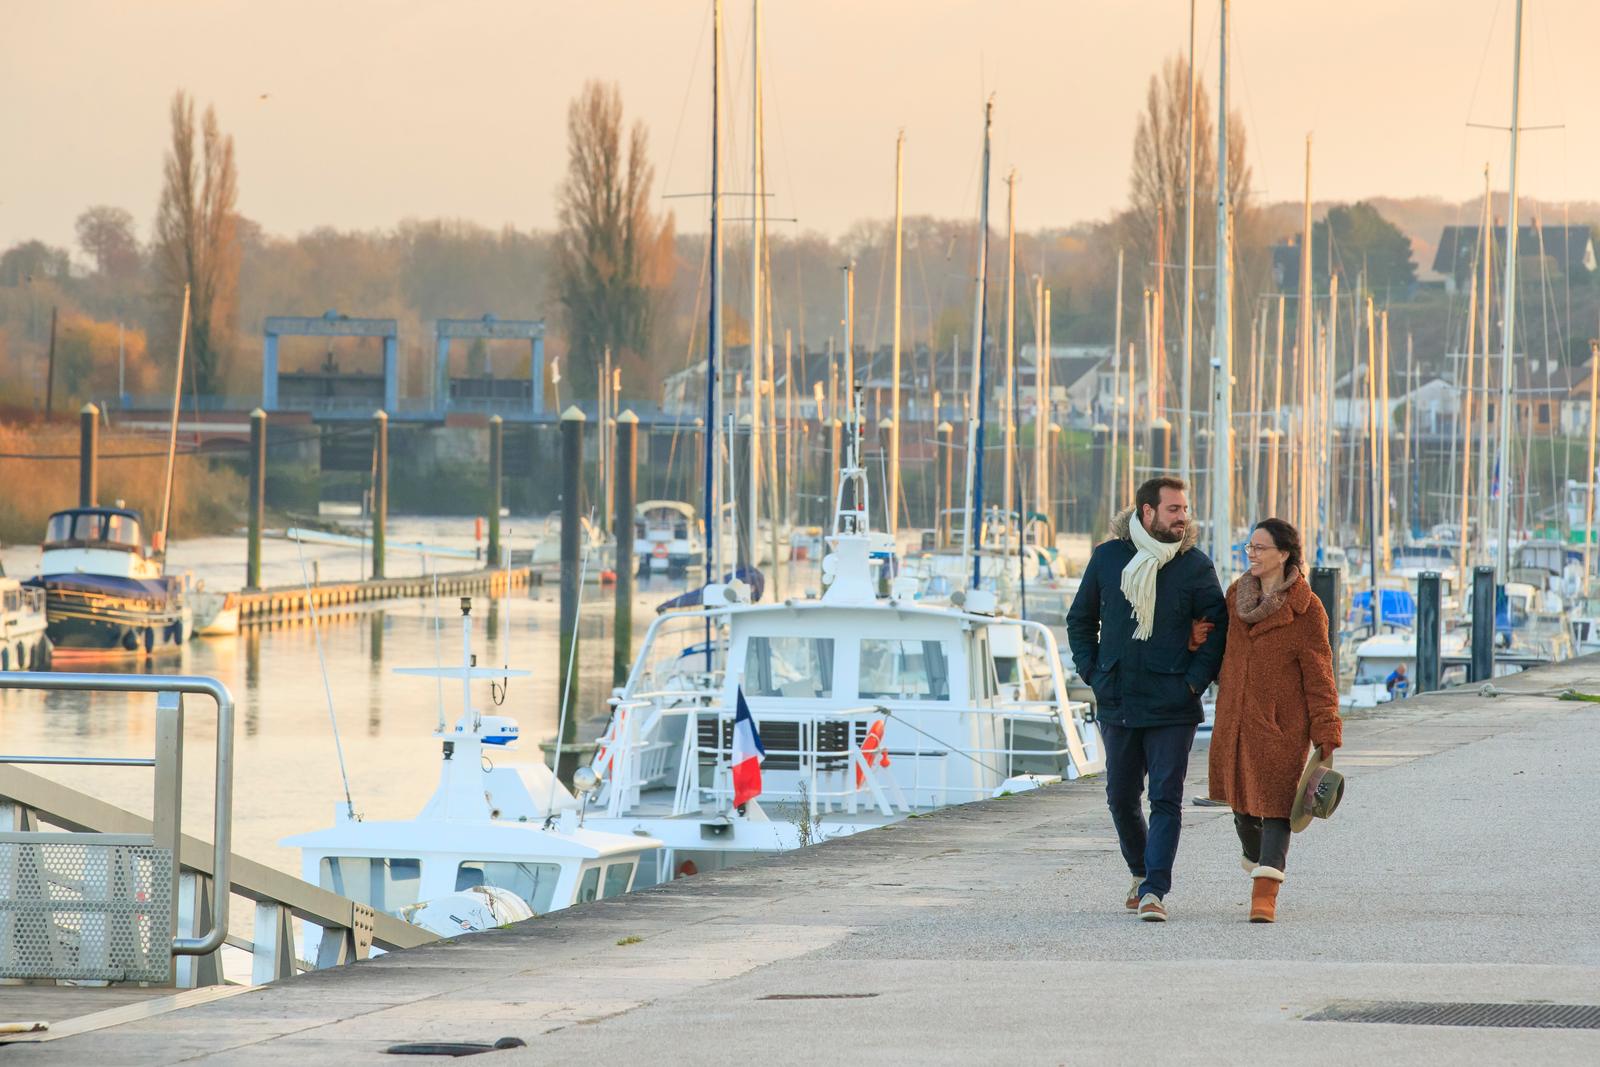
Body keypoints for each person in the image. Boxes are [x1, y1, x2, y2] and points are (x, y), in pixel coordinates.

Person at [1066, 476, 1227, 923]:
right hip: (1117, 698)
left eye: (1185, 509)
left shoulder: (1195, 566)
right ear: (1147, 512)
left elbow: (1217, 630)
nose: (1183, 518)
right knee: (1120, 797)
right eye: (1174, 509)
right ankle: (1140, 873)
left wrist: (1193, 683)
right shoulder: (1107, 559)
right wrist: (1095, 673)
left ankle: (1155, 890)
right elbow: (1080, 621)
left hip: (1173, 703)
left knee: (1165, 798)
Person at [1208, 518, 1342, 923]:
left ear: (1283, 554)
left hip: (1282, 726)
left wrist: (1326, 730)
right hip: (1235, 720)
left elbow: (1320, 675)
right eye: (1249, 547)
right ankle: (1256, 859)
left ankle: (1264, 895)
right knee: (1242, 808)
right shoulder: (1236, 596)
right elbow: (1219, 650)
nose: (1251, 554)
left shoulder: (1307, 609)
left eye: (1260, 548)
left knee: (1278, 807)